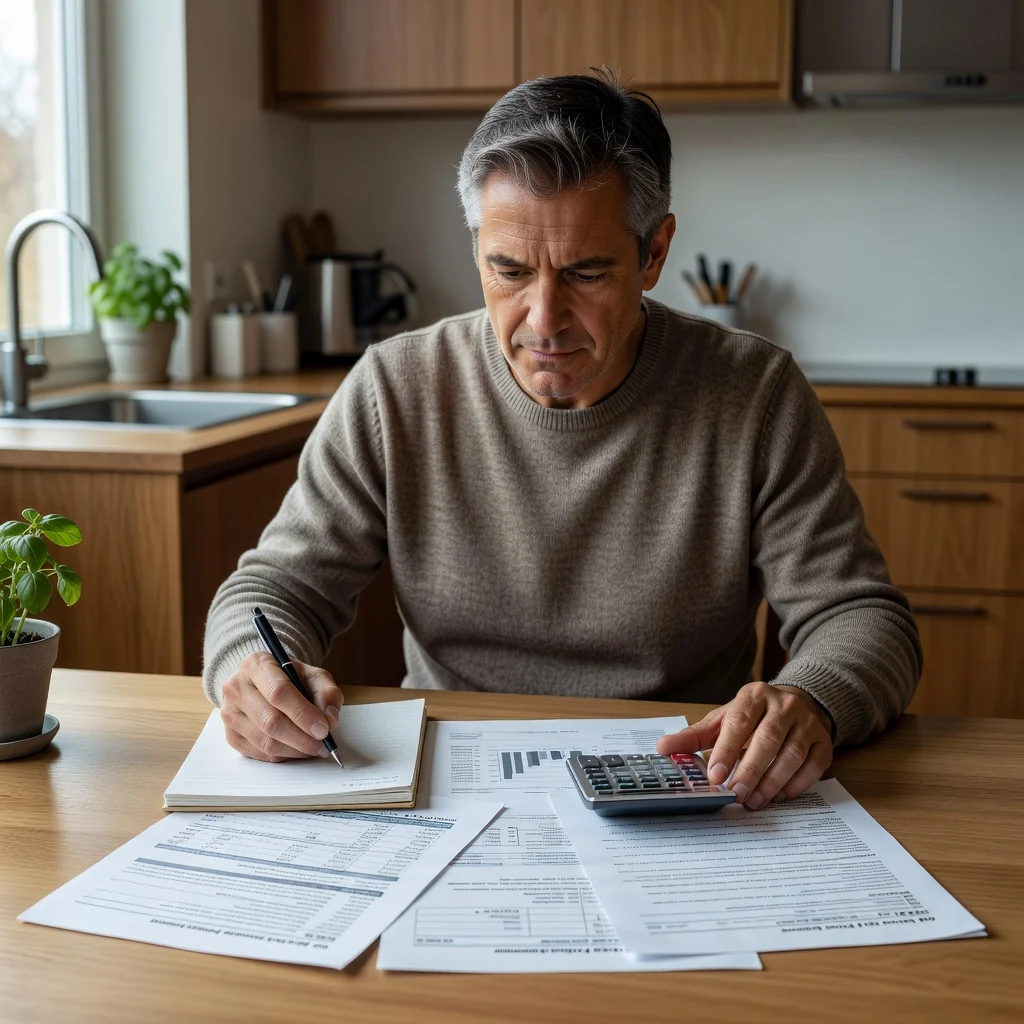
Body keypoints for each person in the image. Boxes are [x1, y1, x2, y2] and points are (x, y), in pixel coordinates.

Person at [203, 70, 921, 811]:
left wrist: (813, 698)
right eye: (507, 271)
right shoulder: (396, 387)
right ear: (477, 247)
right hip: (448, 786)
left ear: (654, 253)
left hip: (681, 785)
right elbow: (271, 590)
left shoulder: (753, 394)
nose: (543, 320)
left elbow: (862, 618)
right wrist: (254, 665)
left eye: (585, 272)